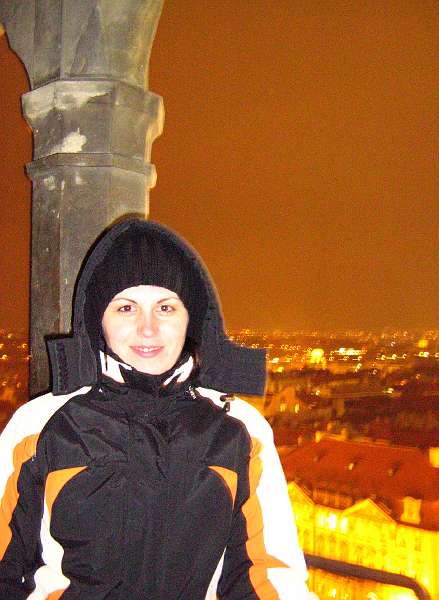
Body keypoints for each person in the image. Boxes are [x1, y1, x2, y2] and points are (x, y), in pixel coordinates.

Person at [0, 218, 311, 599]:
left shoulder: (240, 430)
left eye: (165, 307)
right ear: (98, 320)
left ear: (190, 318)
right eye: (126, 308)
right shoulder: (40, 426)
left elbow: (269, 577)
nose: (147, 328)